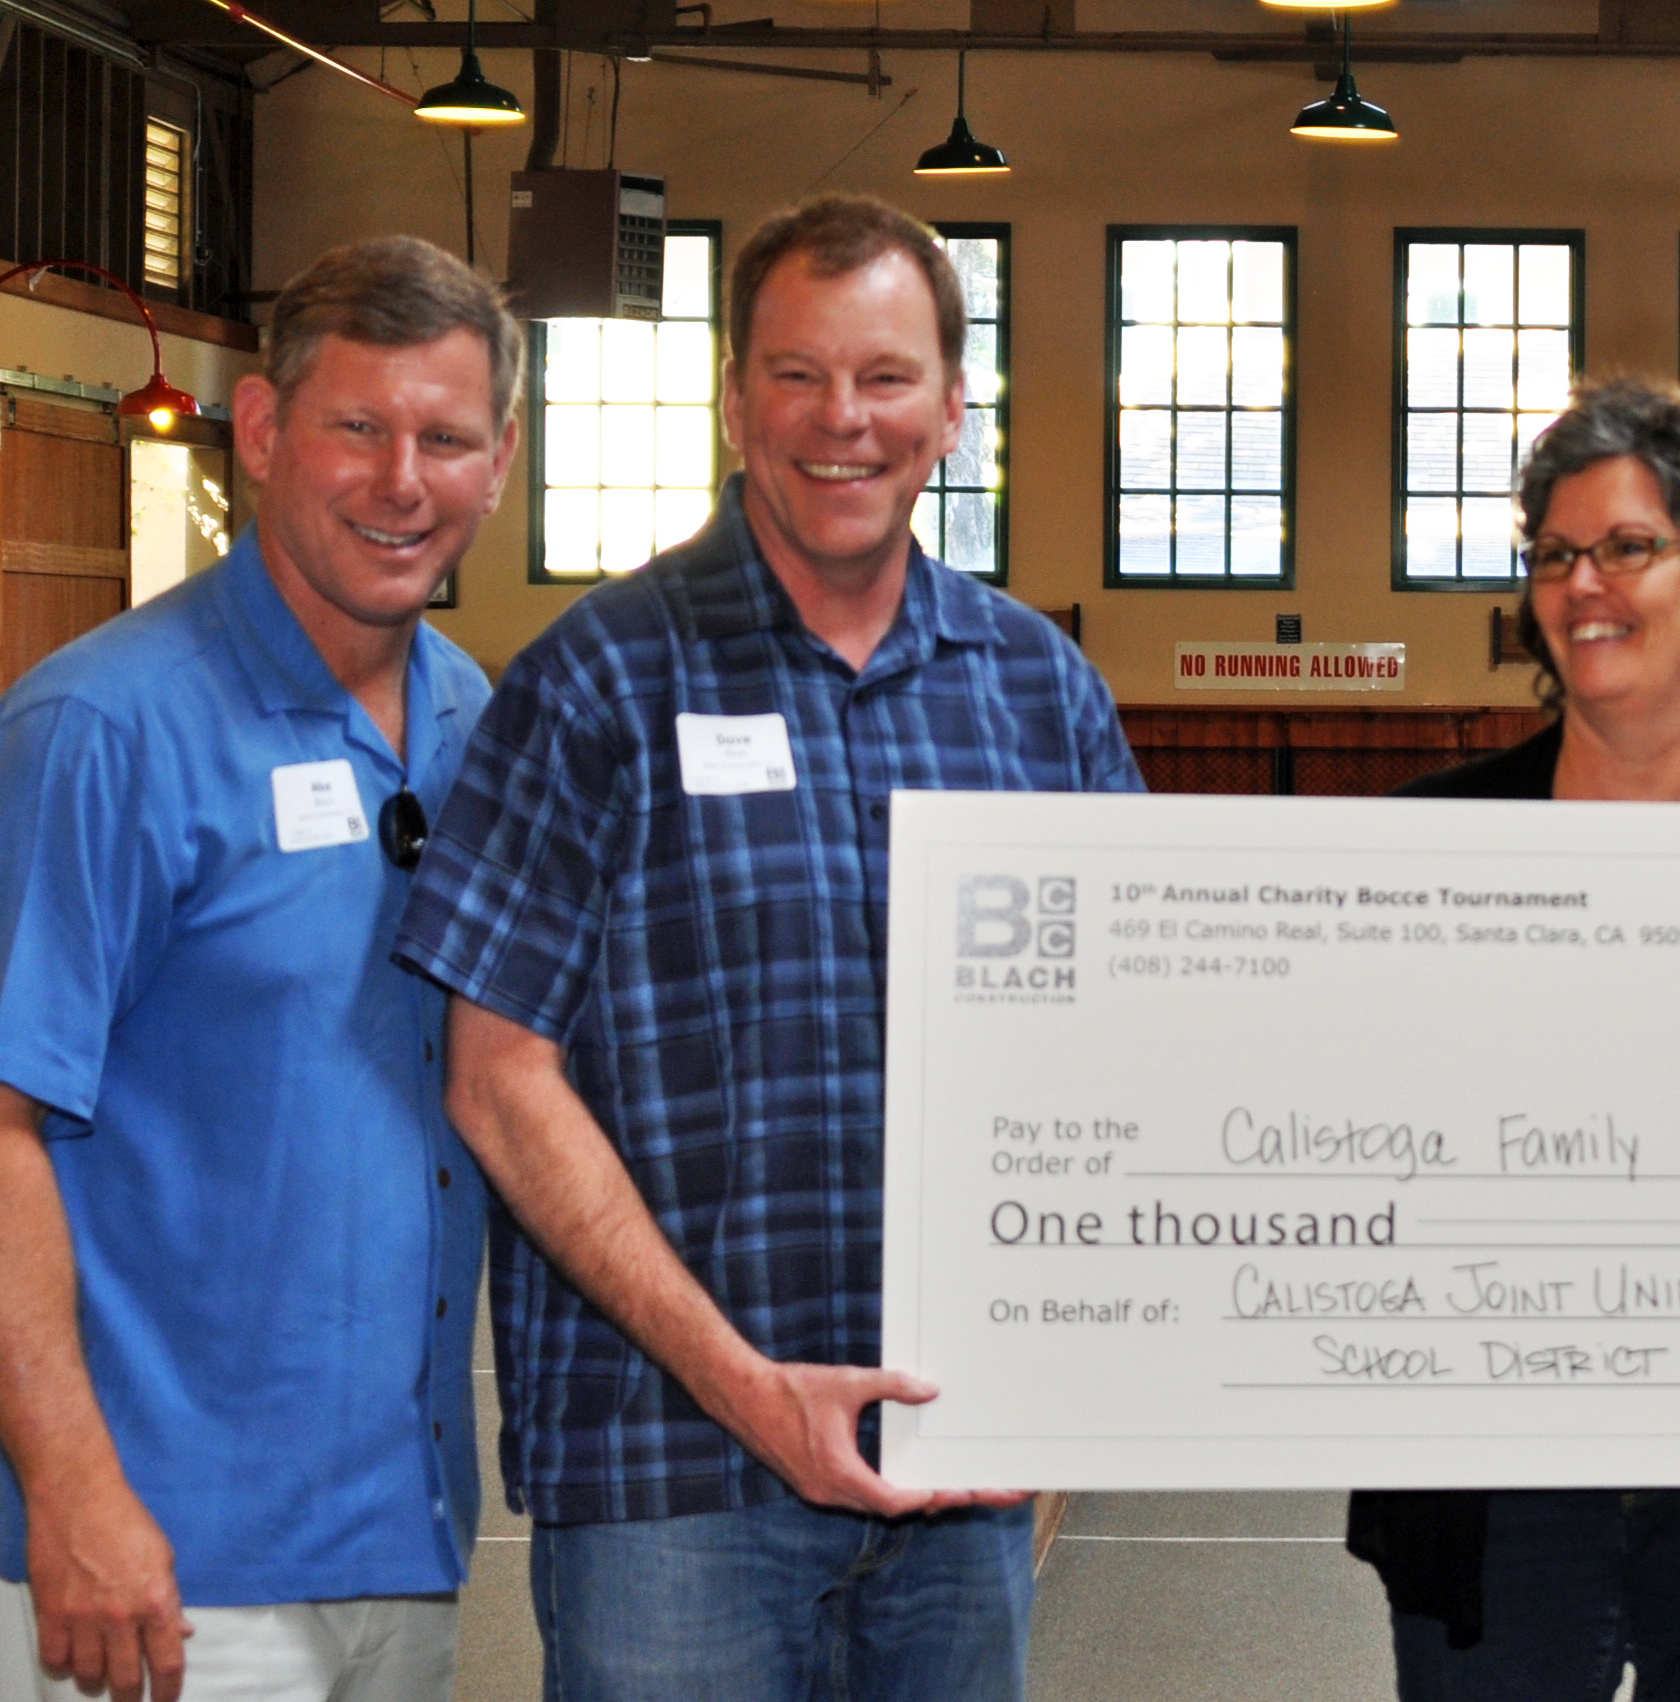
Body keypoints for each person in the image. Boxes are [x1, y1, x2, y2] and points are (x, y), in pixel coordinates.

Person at [391, 193, 1140, 1701]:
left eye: (883, 377)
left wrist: (1080, 1367)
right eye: (796, 375)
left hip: (959, 1477)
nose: (839, 420)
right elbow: (496, 1077)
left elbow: (1118, 1051)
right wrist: (747, 1388)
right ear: (735, 404)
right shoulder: (597, 684)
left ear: (952, 407)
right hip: (673, 1480)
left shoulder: (1038, 693)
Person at [0, 237, 515, 1702]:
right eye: (357, 426)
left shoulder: (483, 724)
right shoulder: (103, 731)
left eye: (444, 437)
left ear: (498, 464)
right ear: (266, 431)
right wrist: (78, 1495)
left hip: (398, 1543)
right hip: (153, 1568)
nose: (400, 478)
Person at [1346, 375, 1680, 1700]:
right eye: (1554, 551)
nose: (1582, 583)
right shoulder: (1413, 856)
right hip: (1495, 1494)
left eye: (1628, 546)